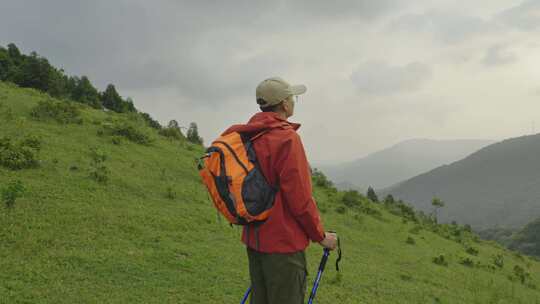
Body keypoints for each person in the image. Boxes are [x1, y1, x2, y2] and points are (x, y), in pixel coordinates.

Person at [221, 77, 338, 303]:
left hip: (254, 238)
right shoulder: (287, 139)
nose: (293, 102)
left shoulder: (248, 135)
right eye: (292, 98)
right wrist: (321, 236)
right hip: (283, 244)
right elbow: (300, 199)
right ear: (284, 104)